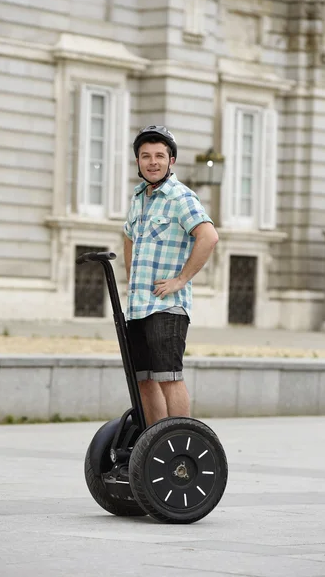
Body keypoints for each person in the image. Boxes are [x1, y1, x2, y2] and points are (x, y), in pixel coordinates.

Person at [123, 125, 219, 426]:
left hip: (167, 307)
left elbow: (209, 237)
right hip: (138, 306)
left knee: (168, 378)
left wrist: (181, 280)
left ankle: (180, 443)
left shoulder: (181, 197)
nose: (153, 162)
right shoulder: (138, 198)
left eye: (159, 156)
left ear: (171, 161)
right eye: (146, 156)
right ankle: (155, 444)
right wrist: (131, 276)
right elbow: (127, 236)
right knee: (144, 382)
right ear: (138, 161)